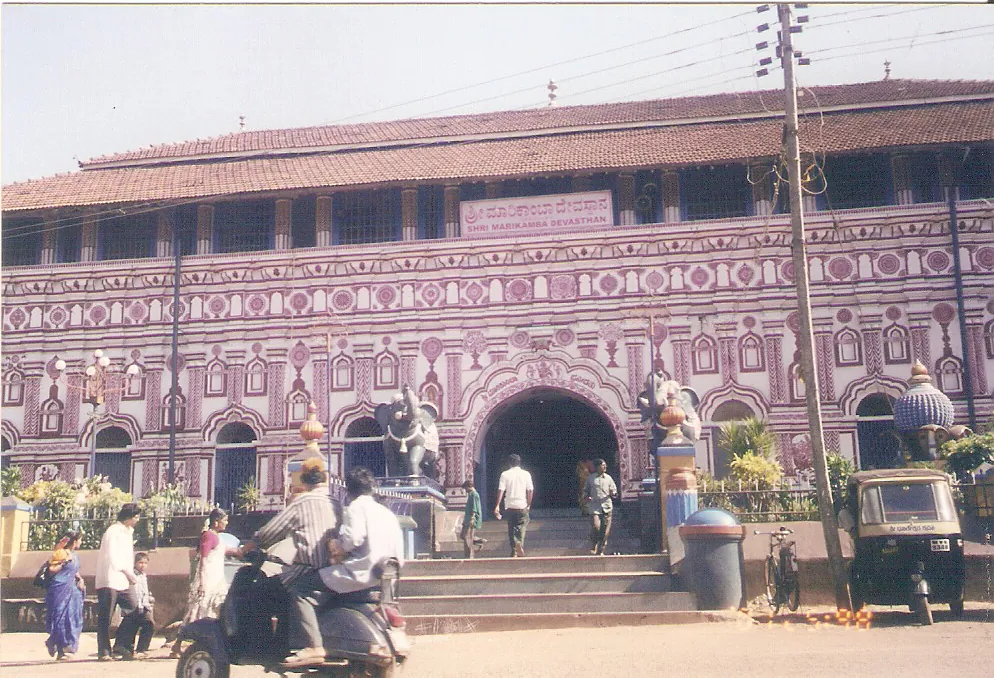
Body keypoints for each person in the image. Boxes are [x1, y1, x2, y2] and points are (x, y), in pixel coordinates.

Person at [283, 466, 403, 669]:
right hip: (383, 577)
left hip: (357, 573)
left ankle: (314, 646)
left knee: (300, 588)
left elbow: (351, 540)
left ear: (349, 490)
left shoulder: (356, 508)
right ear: (371, 488)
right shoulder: (386, 512)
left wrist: (334, 543)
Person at [240, 457, 338, 669]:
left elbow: (271, 531)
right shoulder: (336, 503)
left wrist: (247, 547)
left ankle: (265, 651)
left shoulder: (302, 502)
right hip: (333, 571)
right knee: (281, 594)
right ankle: (283, 646)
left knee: (259, 594)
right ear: (325, 478)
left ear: (303, 479)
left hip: (306, 570)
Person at [170, 508, 239, 658]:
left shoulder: (217, 538)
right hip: (207, 579)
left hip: (216, 579)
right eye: (224, 520)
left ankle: (190, 644)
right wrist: (201, 582)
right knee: (196, 612)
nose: (226, 523)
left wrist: (242, 550)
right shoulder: (208, 536)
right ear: (216, 521)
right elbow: (203, 559)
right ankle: (178, 644)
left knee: (212, 610)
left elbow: (226, 550)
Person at [95, 503, 140, 661]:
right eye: (136, 516)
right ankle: (104, 651)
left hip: (124, 580)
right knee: (105, 617)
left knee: (135, 610)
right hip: (110, 578)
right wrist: (128, 573)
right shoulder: (114, 531)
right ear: (129, 517)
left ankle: (121, 644)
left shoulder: (128, 532)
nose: (138, 520)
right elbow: (113, 557)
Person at [44, 530, 85, 661]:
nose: (81, 542)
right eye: (79, 540)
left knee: (72, 618)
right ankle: (62, 648)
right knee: (60, 618)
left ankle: (67, 647)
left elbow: (74, 571)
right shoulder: (61, 553)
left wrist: (80, 579)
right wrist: (64, 561)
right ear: (74, 541)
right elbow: (51, 570)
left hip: (72, 591)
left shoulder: (74, 554)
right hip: (60, 589)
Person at [493, 454, 533, 557]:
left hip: (509, 506)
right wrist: (528, 504)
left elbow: (501, 490)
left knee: (511, 527)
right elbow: (530, 490)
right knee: (522, 526)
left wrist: (497, 505)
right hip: (522, 505)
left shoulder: (505, 474)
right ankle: (519, 543)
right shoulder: (526, 474)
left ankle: (514, 550)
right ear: (519, 462)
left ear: (509, 463)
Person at [116, 552, 155, 660]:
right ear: (135, 563)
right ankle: (126, 649)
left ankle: (141, 649)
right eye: (140, 562)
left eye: (145, 563)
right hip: (134, 605)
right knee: (131, 627)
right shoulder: (132, 574)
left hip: (144, 605)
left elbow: (144, 590)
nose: (143, 565)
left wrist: (148, 601)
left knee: (149, 624)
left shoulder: (143, 576)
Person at [583, 458, 618, 555]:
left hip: (607, 506)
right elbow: (585, 490)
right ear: (598, 467)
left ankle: (601, 549)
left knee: (605, 531)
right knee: (596, 526)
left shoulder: (608, 478)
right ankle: (594, 543)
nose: (605, 467)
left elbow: (614, 491)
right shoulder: (591, 478)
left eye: (605, 465)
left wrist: (613, 493)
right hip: (595, 506)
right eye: (603, 465)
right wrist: (586, 497)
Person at [460, 478, 482, 559]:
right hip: (467, 518)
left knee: (467, 537)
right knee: (463, 535)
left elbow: (474, 508)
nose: (465, 490)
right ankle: (477, 541)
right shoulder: (471, 495)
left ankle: (469, 555)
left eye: (465, 488)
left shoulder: (474, 494)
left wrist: (472, 518)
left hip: (471, 519)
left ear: (469, 487)